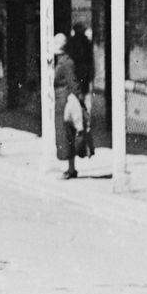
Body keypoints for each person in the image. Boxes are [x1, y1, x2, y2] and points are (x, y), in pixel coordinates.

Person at [51, 32, 84, 179]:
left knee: (67, 135)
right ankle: (70, 167)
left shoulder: (66, 63)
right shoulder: (62, 61)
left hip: (65, 102)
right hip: (61, 101)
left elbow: (73, 84)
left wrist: (79, 102)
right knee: (64, 135)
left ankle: (71, 169)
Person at [67, 23, 97, 157]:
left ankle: (80, 142)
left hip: (75, 79)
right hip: (84, 78)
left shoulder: (72, 43)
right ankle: (86, 142)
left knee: (74, 110)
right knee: (84, 109)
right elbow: (90, 62)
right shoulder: (87, 42)